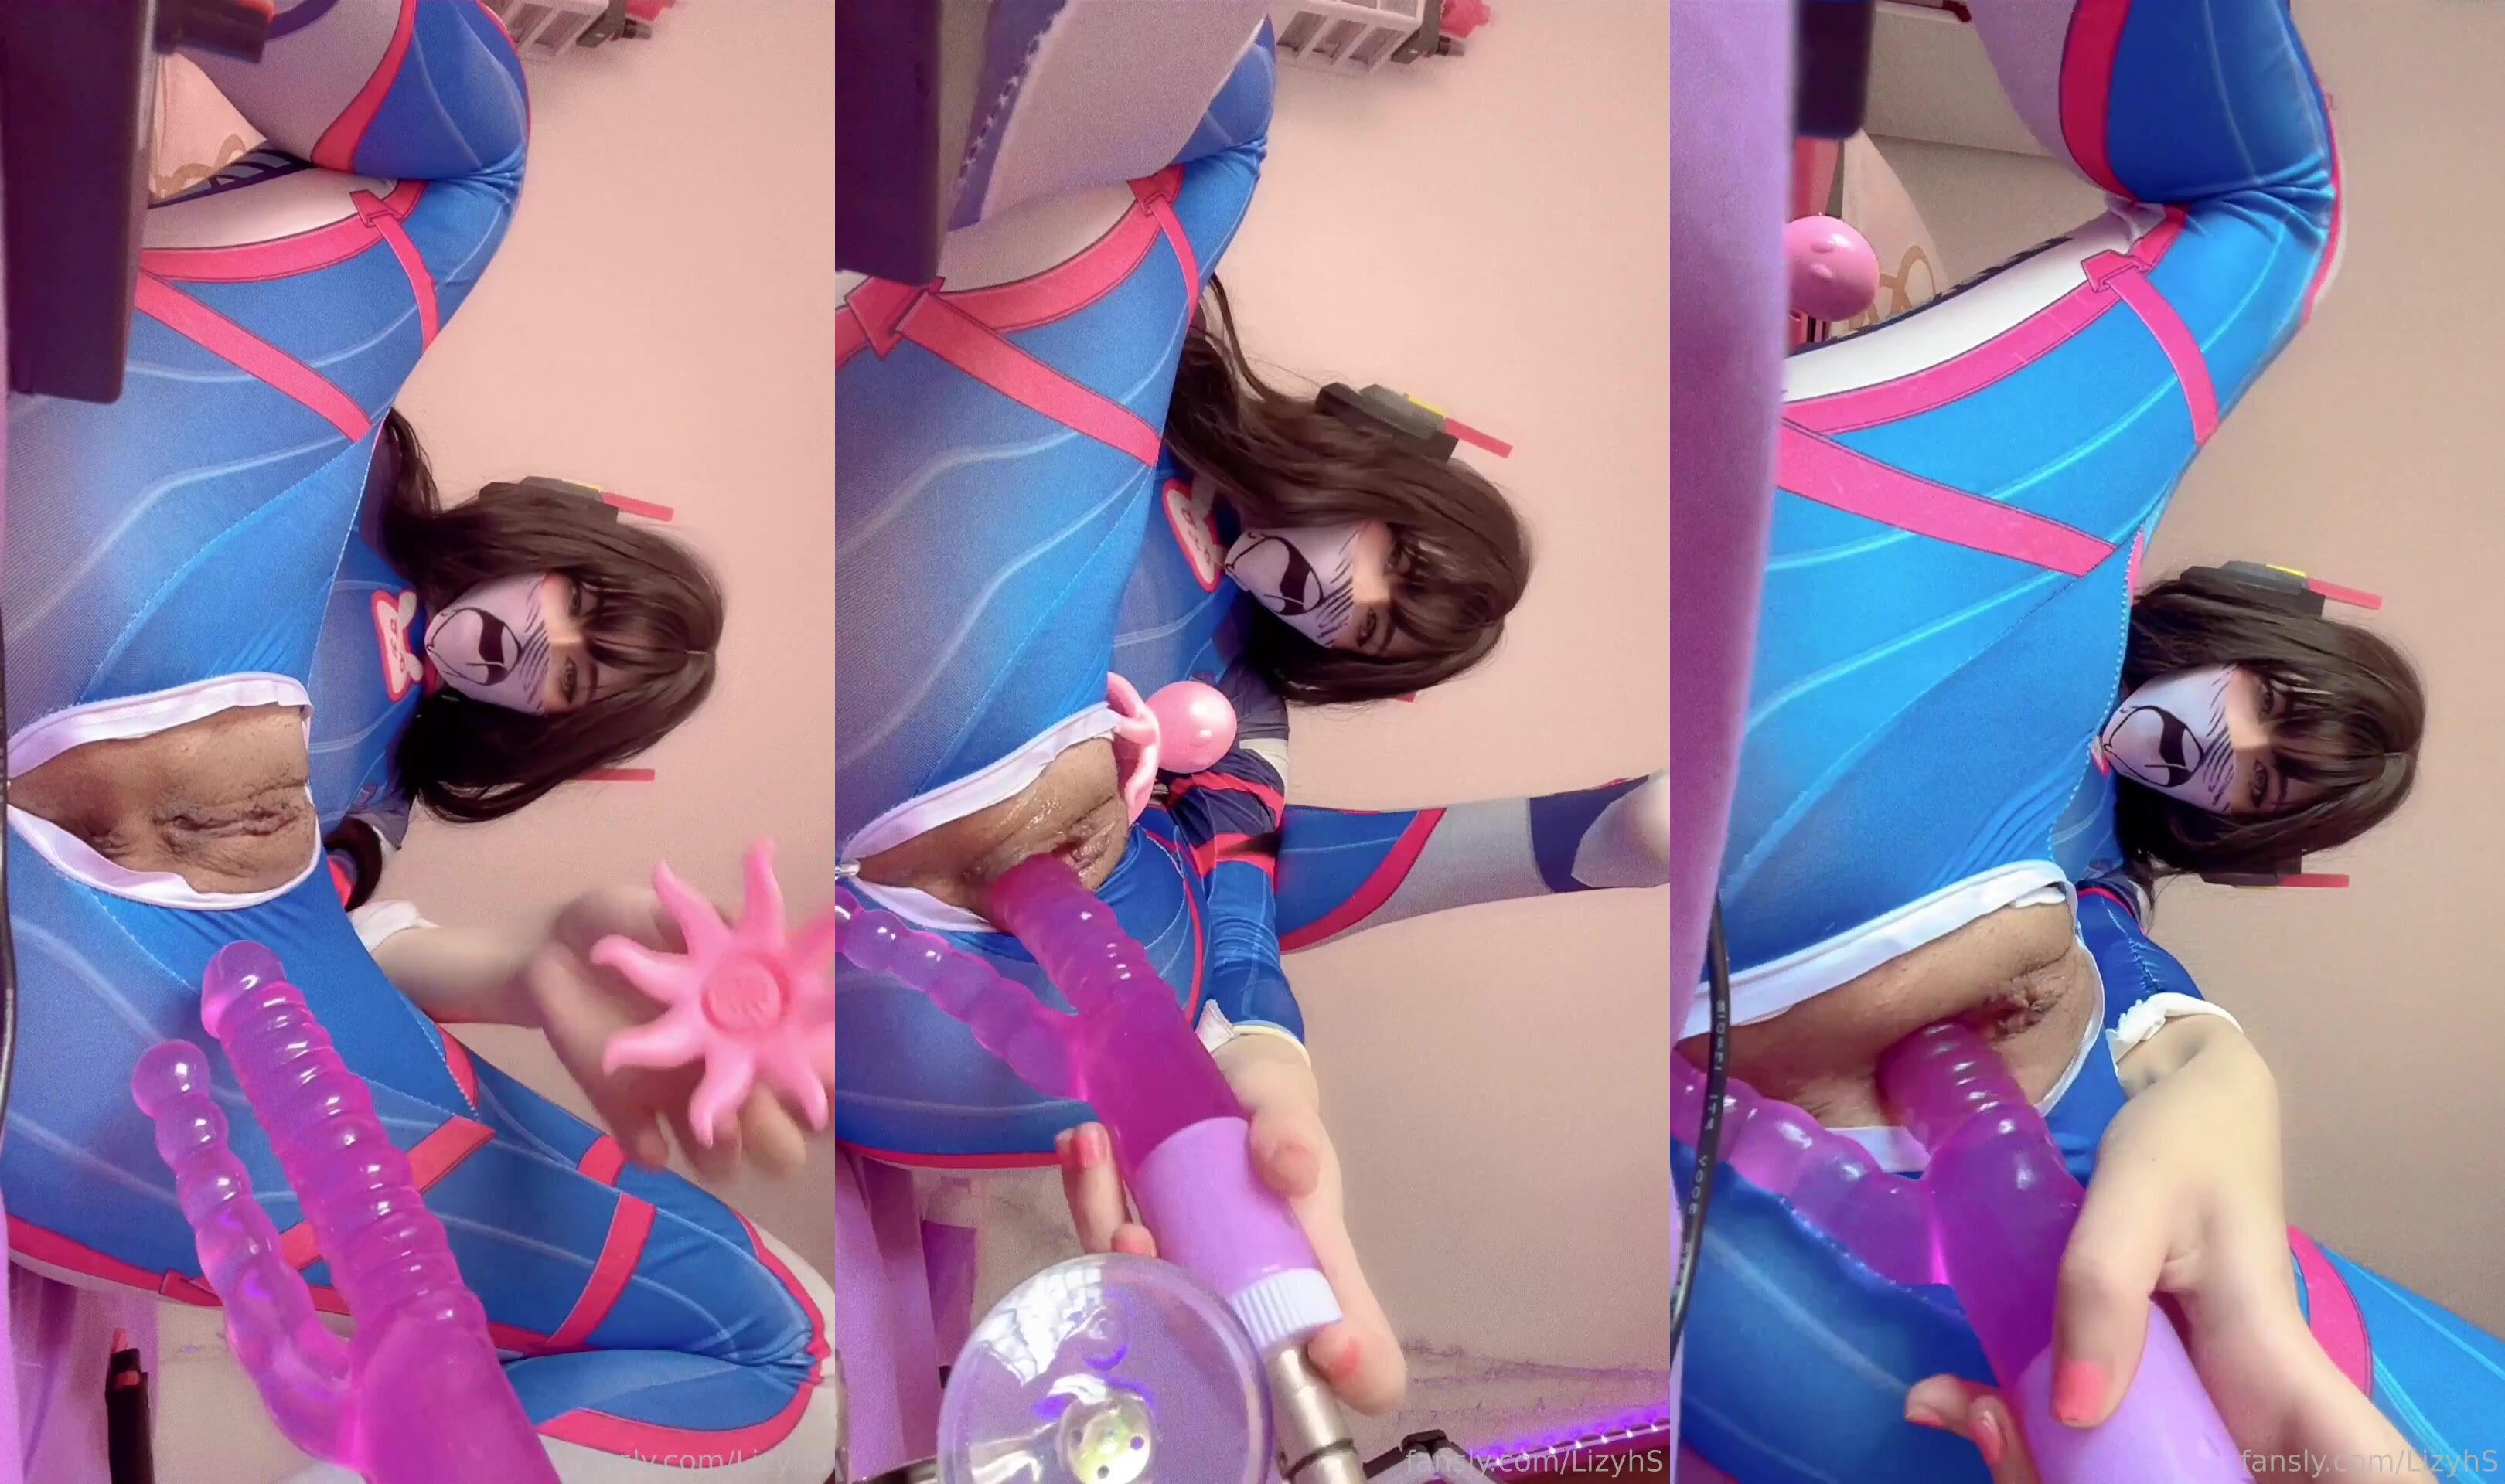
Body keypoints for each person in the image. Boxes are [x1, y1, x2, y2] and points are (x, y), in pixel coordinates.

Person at [2, 6, 835, 1475]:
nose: (546, 655)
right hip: (69, 572)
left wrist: (524, 969)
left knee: (785, 1344)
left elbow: (355, 943)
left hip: (98, 941)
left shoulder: (377, 786)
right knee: (476, 165)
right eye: (580, 614)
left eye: (576, 687)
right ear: (555, 540)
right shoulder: (356, 470)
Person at [315, 409, 724, 904]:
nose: (544, 642)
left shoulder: (385, 791)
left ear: (551, 725)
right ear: (564, 545)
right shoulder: (375, 474)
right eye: (575, 603)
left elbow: (345, 867)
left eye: (571, 678)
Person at [2105, 567, 2423, 889]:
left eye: (2260, 784)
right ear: (2261, 641)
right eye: (2266, 701)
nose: (2227, 743)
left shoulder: (2100, 875)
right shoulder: (2094, 580)